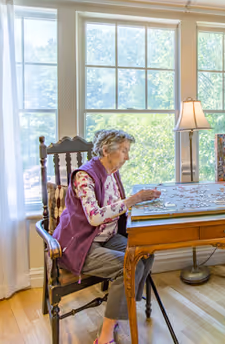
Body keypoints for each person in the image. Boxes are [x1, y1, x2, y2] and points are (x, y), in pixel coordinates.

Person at [53, 129, 161, 344]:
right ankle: (105, 336)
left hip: (108, 237)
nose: (127, 157)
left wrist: (142, 203)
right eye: (123, 150)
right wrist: (132, 200)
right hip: (81, 245)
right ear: (106, 150)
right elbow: (94, 217)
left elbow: (117, 207)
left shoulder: (112, 173)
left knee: (145, 253)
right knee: (128, 266)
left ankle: (121, 305)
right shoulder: (84, 176)